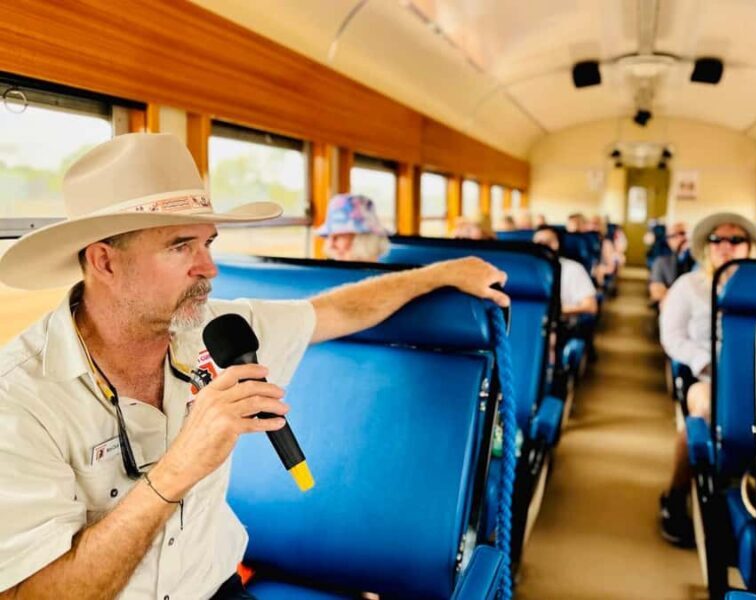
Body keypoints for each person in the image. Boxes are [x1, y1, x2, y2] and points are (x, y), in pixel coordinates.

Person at [0, 133, 509, 599]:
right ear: (105, 262)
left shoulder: (219, 331)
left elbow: (338, 310)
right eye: (181, 246)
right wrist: (180, 467)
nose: (209, 267)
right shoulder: (21, 398)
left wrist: (441, 272)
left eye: (208, 243)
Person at [658, 212, 756, 547]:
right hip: (708, 376)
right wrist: (705, 363)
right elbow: (672, 336)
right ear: (707, 248)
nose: (726, 246)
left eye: (736, 240)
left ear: (749, 247)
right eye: (717, 240)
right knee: (704, 407)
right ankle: (675, 495)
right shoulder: (688, 287)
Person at [533, 227, 597, 316]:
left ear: (559, 244)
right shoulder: (526, 270)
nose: (544, 246)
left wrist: (555, 311)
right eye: (539, 243)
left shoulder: (573, 268)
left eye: (549, 242)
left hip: (561, 321)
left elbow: (590, 306)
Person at [315, 194, 389, 262]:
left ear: (365, 240)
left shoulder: (392, 276)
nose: (330, 246)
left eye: (338, 237)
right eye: (328, 236)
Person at [649, 221, 694, 305]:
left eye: (682, 233)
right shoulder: (661, 262)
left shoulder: (701, 261)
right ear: (668, 240)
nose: (680, 238)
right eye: (673, 236)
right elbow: (656, 291)